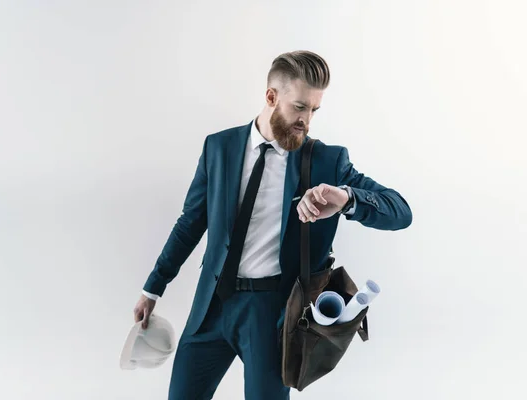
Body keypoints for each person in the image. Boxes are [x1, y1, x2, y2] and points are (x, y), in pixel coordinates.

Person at [132, 50, 412, 399]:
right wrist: (152, 288)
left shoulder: (326, 161)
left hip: (273, 315)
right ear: (271, 97)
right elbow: (191, 222)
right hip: (212, 305)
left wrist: (347, 198)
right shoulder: (219, 147)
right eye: (299, 107)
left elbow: (401, 212)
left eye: (314, 110)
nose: (306, 120)